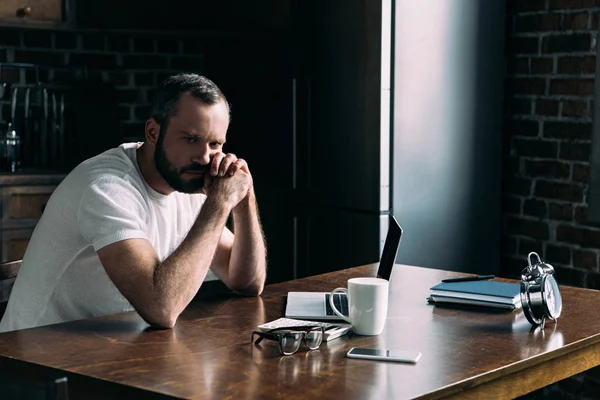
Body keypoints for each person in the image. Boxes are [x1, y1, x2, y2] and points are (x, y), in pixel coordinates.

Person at [0, 73, 267, 332]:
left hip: (113, 350)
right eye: (190, 139)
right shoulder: (106, 188)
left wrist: (244, 198)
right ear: (153, 132)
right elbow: (162, 309)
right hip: (34, 363)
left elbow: (246, 282)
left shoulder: (189, 182)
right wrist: (219, 204)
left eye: (214, 144)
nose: (204, 158)